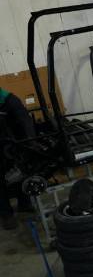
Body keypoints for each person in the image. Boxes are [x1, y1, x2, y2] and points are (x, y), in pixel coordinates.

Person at [0, 87, 36, 230]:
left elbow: (25, 122)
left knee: (20, 173)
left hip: (13, 145)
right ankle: (6, 214)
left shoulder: (10, 100)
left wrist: (31, 142)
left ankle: (25, 204)